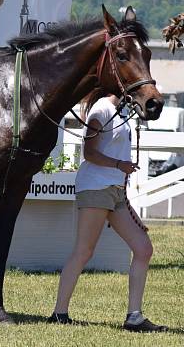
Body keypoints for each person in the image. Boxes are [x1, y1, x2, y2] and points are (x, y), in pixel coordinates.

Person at [48, 92, 168, 333]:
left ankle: (134, 317)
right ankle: (59, 313)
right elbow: (89, 153)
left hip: (115, 190)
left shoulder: (121, 110)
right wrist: (118, 165)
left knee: (144, 248)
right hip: (96, 187)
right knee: (84, 251)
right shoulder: (100, 110)